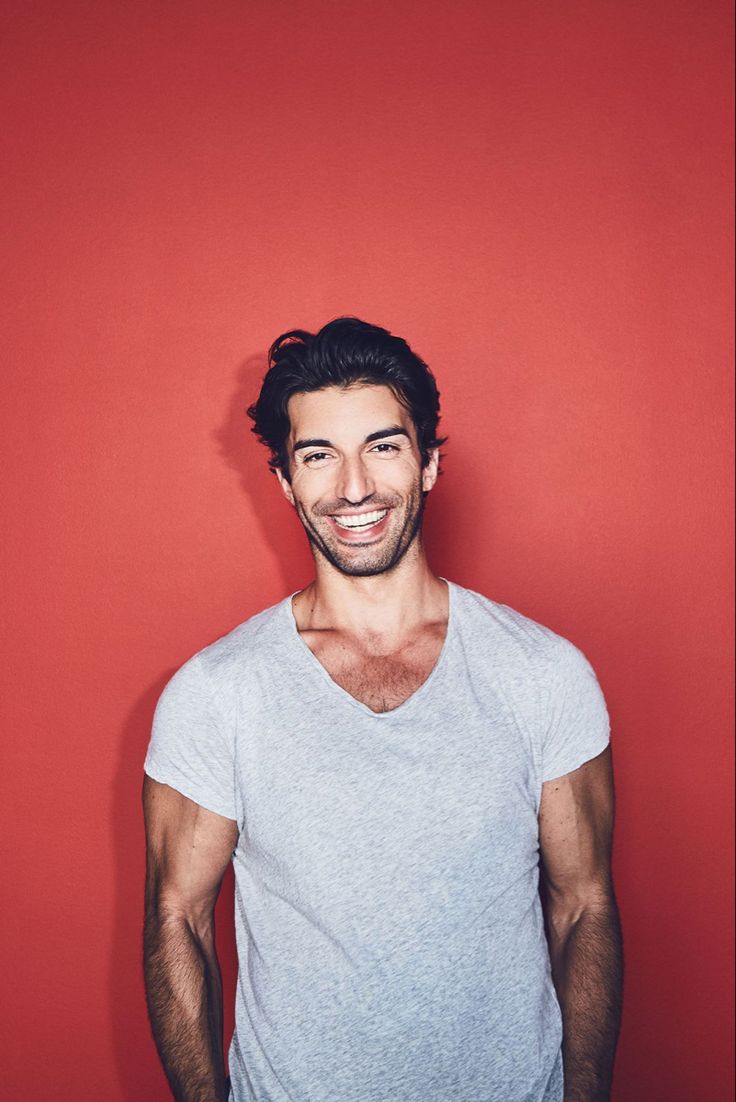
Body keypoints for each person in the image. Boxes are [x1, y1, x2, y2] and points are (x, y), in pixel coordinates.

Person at [142, 316, 623, 1102]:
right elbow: (177, 920)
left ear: (429, 463)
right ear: (284, 482)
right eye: (317, 456)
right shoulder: (217, 692)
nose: (354, 487)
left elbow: (584, 907)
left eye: (383, 446)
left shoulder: (544, 674)